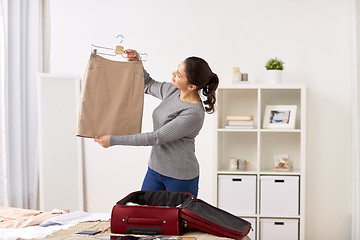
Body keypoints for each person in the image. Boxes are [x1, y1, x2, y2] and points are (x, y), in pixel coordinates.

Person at [94, 49, 219, 198]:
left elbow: (156, 137)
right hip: (155, 169)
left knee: (176, 220)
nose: (173, 73)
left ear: (191, 86)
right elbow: (147, 84)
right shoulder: (173, 91)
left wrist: (113, 140)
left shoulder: (193, 113)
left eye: (179, 74)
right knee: (145, 215)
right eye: (177, 69)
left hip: (180, 176)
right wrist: (136, 63)